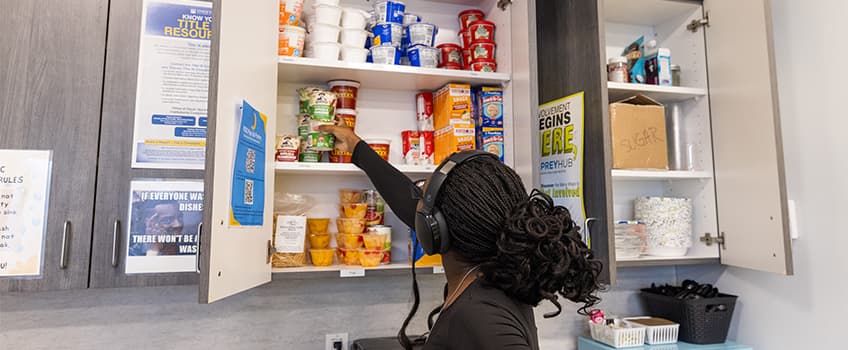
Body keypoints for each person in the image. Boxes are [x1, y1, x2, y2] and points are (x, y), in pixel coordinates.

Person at [320, 123, 603, 350]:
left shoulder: (478, 317)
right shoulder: (493, 278)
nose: (417, 208)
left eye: (425, 200)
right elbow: (413, 207)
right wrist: (357, 148)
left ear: (436, 230)